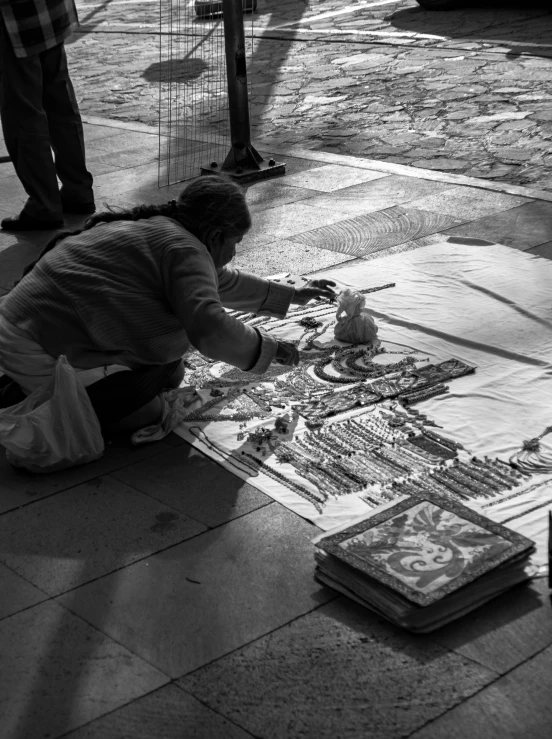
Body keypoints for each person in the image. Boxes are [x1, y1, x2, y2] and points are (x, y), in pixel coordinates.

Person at [0, 175, 336, 435]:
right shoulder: (184, 249)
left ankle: (39, 387)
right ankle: (40, 399)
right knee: (148, 411)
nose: (235, 251)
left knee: (171, 371)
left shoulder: (165, 231)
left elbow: (218, 282)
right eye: (236, 241)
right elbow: (209, 326)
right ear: (215, 234)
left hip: (21, 328)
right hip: (37, 345)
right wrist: (268, 347)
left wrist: (291, 294)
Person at [0, 0, 95, 231]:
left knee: (23, 112)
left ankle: (44, 205)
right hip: (50, 10)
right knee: (59, 101)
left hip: (14, 17)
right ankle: (78, 190)